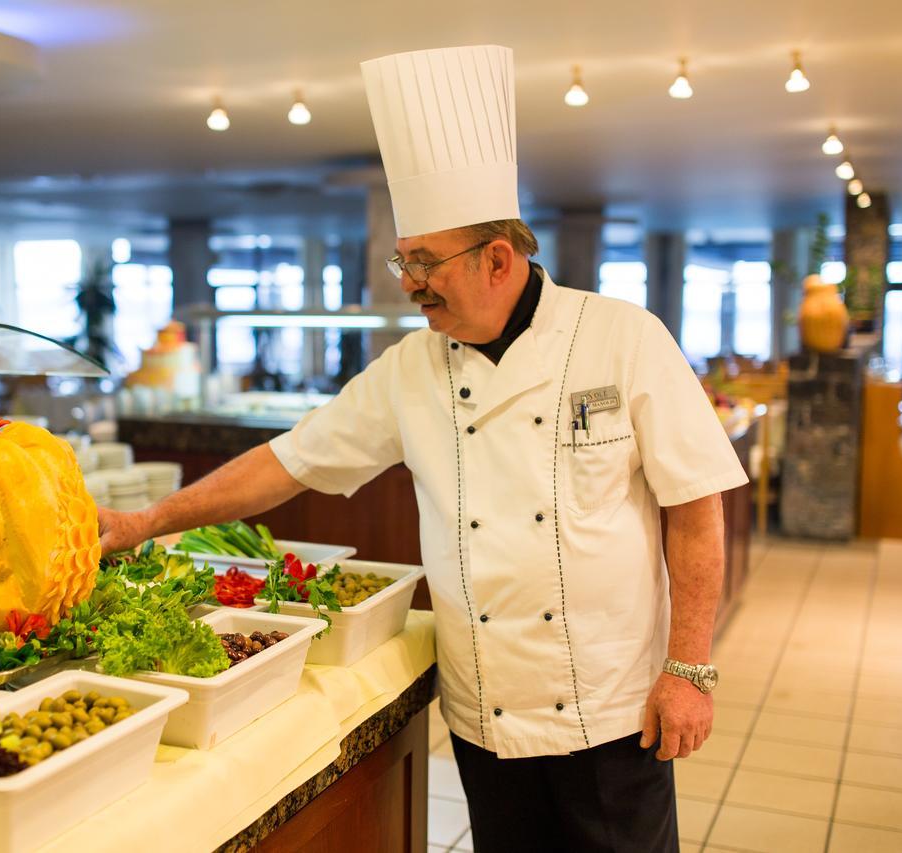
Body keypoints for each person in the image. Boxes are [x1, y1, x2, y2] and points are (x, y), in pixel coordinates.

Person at [99, 44, 747, 853]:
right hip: (488, 716)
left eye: (425, 263)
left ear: (499, 259)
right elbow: (285, 462)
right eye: (404, 261)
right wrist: (147, 520)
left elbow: (695, 505)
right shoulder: (410, 369)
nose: (410, 283)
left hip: (613, 711)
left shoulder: (623, 338)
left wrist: (688, 670)